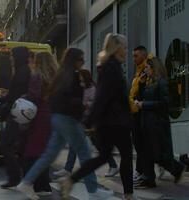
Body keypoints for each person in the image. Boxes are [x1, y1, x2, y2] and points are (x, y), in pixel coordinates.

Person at [16, 48, 113, 200]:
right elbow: (69, 99)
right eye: (81, 59)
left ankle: (26, 182)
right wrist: (82, 109)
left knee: (49, 155)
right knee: (85, 153)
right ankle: (93, 191)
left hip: (57, 118)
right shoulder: (71, 76)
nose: (83, 62)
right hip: (68, 119)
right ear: (74, 60)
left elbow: (53, 97)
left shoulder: (61, 75)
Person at [60, 34, 134, 200]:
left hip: (108, 121)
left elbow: (104, 96)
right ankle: (128, 195)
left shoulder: (108, 66)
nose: (126, 50)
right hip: (115, 121)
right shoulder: (111, 68)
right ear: (116, 48)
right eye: (125, 46)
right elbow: (103, 96)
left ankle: (71, 179)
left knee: (104, 157)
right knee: (125, 156)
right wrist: (90, 120)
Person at [54, 69, 119, 178]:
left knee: (97, 144)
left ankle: (112, 165)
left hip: (90, 121)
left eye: (81, 79)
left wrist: (83, 104)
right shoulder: (81, 88)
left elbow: (94, 104)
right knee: (74, 143)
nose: (80, 81)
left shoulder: (92, 88)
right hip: (82, 119)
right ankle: (68, 168)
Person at [133, 57, 186, 188]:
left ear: (154, 68)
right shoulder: (150, 82)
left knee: (158, 155)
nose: (145, 70)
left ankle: (177, 169)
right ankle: (149, 179)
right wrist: (141, 84)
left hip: (157, 124)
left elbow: (164, 103)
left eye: (147, 68)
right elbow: (142, 97)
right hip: (148, 123)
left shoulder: (162, 82)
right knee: (148, 153)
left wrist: (144, 104)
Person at [20, 52, 57, 195]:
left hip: (39, 116)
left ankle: (34, 183)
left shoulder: (37, 77)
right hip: (52, 115)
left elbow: (33, 97)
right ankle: (44, 184)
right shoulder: (55, 77)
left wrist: (24, 97)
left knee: (33, 150)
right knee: (44, 150)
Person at [0, 46, 32, 189]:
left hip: (18, 114)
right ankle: (28, 177)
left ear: (18, 57)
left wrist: (4, 105)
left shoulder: (22, 72)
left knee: (6, 144)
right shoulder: (22, 71)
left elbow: (15, 96)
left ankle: (15, 177)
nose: (11, 58)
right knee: (22, 147)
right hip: (19, 113)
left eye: (12, 56)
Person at [129, 46, 148, 183]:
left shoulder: (146, 70)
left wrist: (138, 102)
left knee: (141, 144)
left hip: (141, 111)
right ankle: (141, 171)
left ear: (143, 55)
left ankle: (141, 171)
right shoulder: (138, 71)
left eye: (136, 56)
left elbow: (145, 91)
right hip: (135, 111)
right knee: (138, 143)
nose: (133, 58)